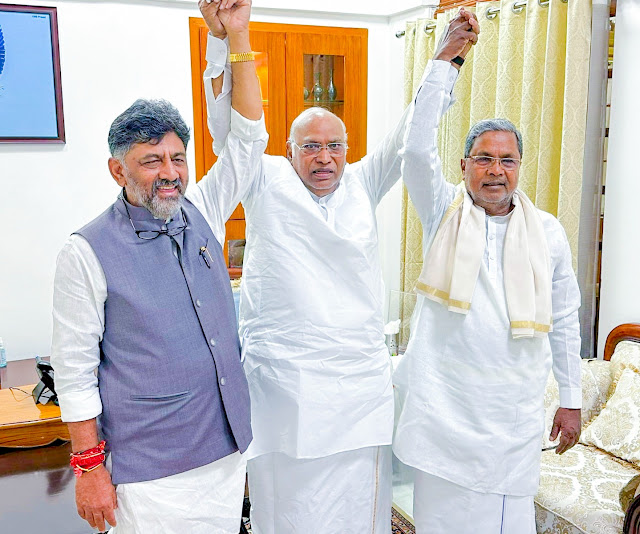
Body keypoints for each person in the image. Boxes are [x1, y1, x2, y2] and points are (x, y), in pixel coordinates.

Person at [200, 4, 479, 532]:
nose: (324, 157)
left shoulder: (363, 181)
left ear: (348, 151)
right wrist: (224, 40)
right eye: (311, 147)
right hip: (286, 385)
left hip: (356, 386)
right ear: (289, 151)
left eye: (334, 146)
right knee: (289, 508)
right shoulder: (263, 180)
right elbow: (227, 130)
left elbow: (409, 134)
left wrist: (445, 58)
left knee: (358, 509)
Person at [50, 2, 267, 532]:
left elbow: (248, 141)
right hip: (150, 474)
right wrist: (88, 469)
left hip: (225, 451)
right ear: (117, 170)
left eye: (177, 158)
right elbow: (74, 372)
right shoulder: (85, 251)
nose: (170, 173)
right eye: (151, 161)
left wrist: (232, 37)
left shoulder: (204, 210)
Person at [392, 33, 583, 532]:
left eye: (507, 160)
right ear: (463, 166)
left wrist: (571, 397)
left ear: (519, 167)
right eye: (483, 158)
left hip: (512, 414)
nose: (495, 171)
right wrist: (445, 63)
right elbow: (415, 150)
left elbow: (565, 318)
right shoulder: (443, 211)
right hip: (445, 410)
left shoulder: (548, 232)